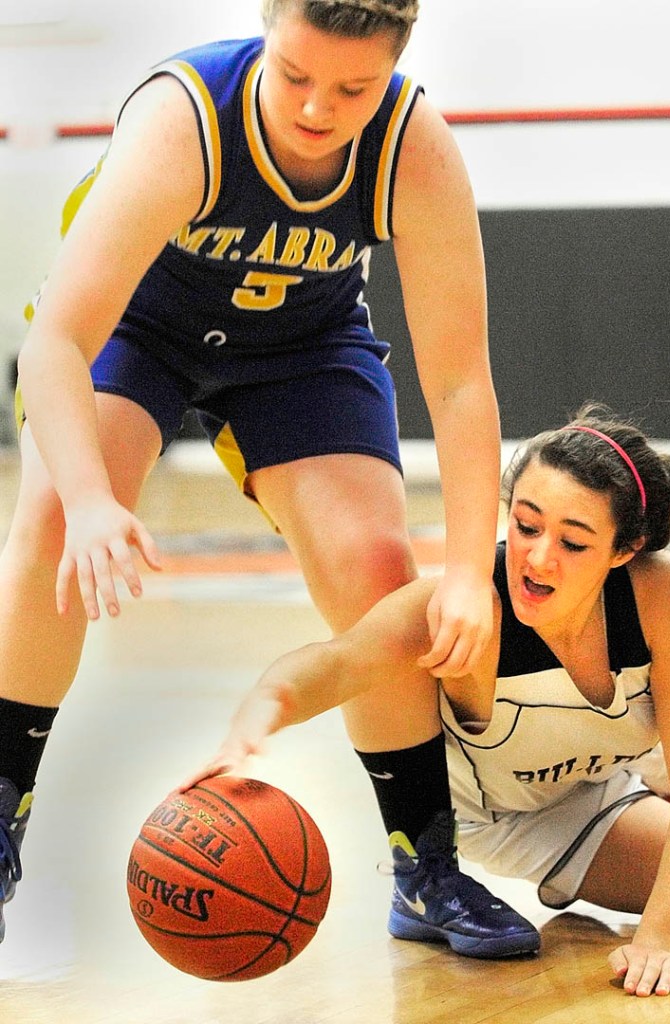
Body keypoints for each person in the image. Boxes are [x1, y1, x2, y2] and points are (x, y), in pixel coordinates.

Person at [0, 0, 533, 955]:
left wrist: (462, 571)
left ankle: (425, 866)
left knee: (377, 575)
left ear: (395, 72)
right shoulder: (186, 118)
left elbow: (458, 385)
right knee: (48, 526)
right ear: (266, 28)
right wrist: (87, 502)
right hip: (133, 333)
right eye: (295, 75)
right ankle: (2, 805)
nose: (319, 108)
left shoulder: (414, 148)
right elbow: (55, 343)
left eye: (353, 88)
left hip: (301, 344)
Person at [182, 404, 670, 996]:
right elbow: (336, 665)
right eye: (528, 526)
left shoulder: (662, 591)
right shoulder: (466, 606)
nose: (537, 558)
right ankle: (423, 880)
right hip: (516, 813)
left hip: (619, 753)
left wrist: (658, 941)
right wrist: (251, 722)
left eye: (574, 543)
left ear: (623, 550)